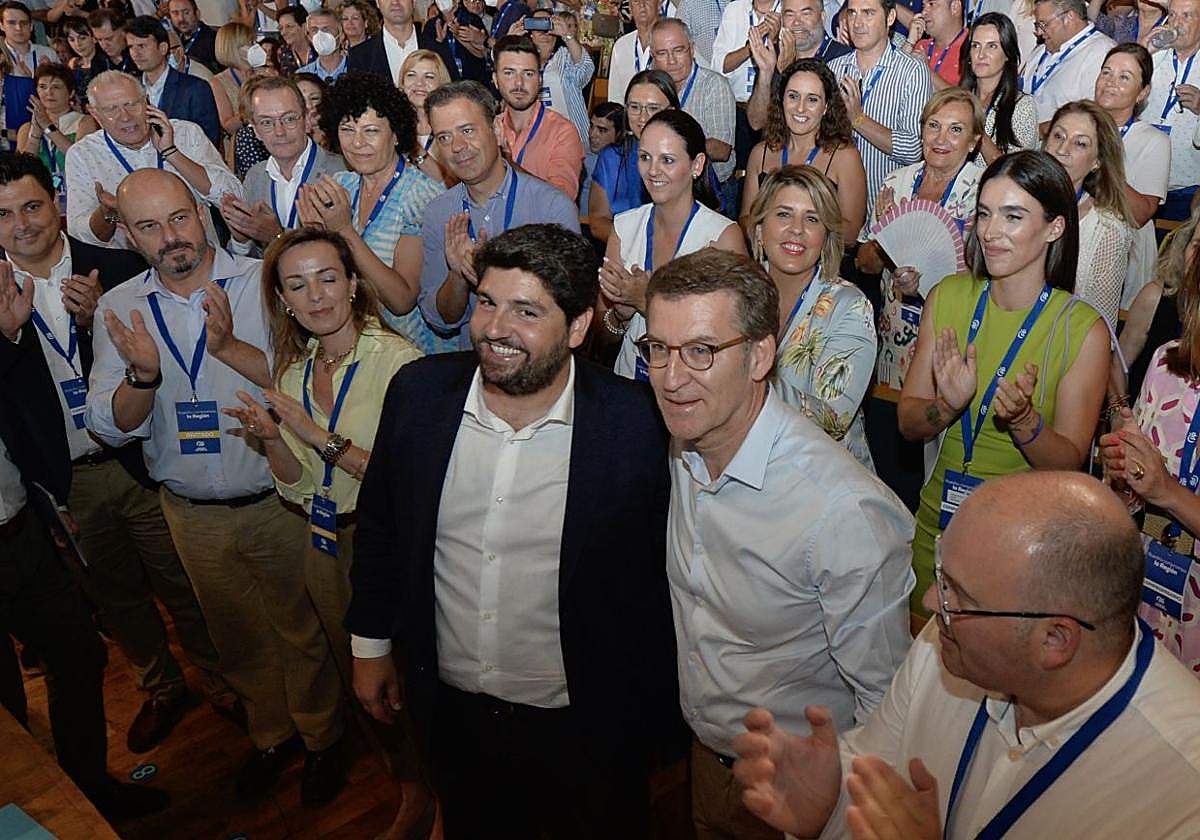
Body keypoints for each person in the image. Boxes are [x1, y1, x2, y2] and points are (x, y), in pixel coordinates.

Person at [347, 223, 679, 840]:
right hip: (452, 713)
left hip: (586, 723)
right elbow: (383, 529)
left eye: (527, 311)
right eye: (487, 302)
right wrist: (370, 647)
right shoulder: (418, 396)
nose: (496, 328)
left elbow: (661, 580)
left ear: (578, 328)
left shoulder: (635, 425)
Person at [731, 470, 1200, 840]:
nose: (933, 603)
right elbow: (875, 774)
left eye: (959, 596)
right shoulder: (947, 644)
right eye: (942, 574)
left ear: (1055, 640)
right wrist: (830, 810)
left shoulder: (1182, 792)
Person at [85, 168, 346, 805]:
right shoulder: (120, 310)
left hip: (278, 497)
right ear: (128, 236)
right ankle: (270, 736)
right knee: (235, 632)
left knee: (301, 626)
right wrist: (142, 379)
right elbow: (107, 427)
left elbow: (309, 378)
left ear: (201, 211)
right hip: (190, 511)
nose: (170, 237)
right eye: (148, 226)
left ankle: (322, 740)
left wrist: (232, 353)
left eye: (179, 217)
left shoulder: (263, 283)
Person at [640, 246, 911, 840]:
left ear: (762, 354)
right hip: (707, 767)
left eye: (701, 351)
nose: (672, 377)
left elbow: (889, 711)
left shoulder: (842, 512)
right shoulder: (689, 443)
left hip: (805, 801)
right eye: (658, 349)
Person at [0, 149, 238, 759]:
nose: (23, 224)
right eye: (4, 214)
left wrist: (87, 327)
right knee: (116, 596)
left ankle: (221, 681)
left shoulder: (116, 263)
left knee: (181, 582)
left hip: (138, 464)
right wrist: (10, 336)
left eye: (32, 205)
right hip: (64, 480)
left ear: (57, 203)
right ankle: (160, 687)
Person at [225, 226, 436, 837]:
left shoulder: (402, 366)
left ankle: (445, 791)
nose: (315, 296)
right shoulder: (293, 374)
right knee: (364, 685)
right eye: (297, 284)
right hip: (323, 543)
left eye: (327, 277)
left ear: (352, 283)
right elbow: (295, 484)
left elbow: (411, 480)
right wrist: (271, 441)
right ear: (284, 300)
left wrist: (320, 438)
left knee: (413, 680)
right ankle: (409, 787)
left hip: (389, 546)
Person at [898, 150, 1110, 616]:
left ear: (1055, 228)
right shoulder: (948, 297)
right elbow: (910, 423)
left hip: (1022, 547)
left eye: (1013, 217)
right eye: (985, 214)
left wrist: (1024, 423)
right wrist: (947, 408)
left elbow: (1070, 462)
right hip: (936, 529)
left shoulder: (1082, 330)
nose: (991, 232)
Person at [0, 436, 171, 820]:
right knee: (5, 710)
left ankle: (91, 793)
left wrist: (49, 510)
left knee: (78, 658)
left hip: (22, 535)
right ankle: (27, 816)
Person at [417, 80, 580, 351]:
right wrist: (457, 276)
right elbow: (441, 318)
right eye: (444, 137)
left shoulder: (552, 209)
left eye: (467, 131)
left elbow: (569, 309)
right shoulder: (439, 212)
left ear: (495, 128)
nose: (457, 147)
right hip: (471, 363)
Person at [1101, 236, 1200, 677]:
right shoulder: (1164, 364)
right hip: (1145, 592)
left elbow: (1164, 488)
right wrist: (1122, 472)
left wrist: (1169, 492)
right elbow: (1132, 499)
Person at [300, 71, 444, 356]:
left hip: (410, 355)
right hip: (355, 350)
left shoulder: (420, 195)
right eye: (347, 129)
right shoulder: (341, 186)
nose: (357, 143)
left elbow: (402, 300)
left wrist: (343, 232)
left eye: (371, 131)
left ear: (395, 135)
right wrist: (315, 240)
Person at [600, 109, 747, 381]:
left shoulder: (722, 237)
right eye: (645, 158)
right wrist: (620, 316)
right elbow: (601, 339)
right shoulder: (624, 227)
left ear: (697, 165)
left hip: (694, 387)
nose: (653, 171)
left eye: (667, 160)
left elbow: (730, 337)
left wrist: (646, 302)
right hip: (629, 382)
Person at [747, 166, 877, 465]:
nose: (796, 229)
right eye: (783, 214)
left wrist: (741, 384)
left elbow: (832, 419)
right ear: (759, 228)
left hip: (823, 481)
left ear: (826, 235)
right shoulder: (735, 296)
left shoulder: (850, 307)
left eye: (812, 218)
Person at [858, 87, 985, 394]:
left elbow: (988, 277)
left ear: (974, 142)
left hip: (952, 343)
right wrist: (883, 239)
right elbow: (865, 265)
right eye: (933, 126)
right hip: (894, 336)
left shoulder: (986, 192)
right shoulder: (896, 183)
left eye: (956, 130)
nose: (941, 139)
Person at [66, 70, 244, 251]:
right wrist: (109, 214)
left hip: (199, 256)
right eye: (111, 109)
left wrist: (172, 152)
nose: (125, 116)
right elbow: (80, 234)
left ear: (147, 102)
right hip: (132, 266)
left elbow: (234, 196)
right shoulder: (83, 154)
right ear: (95, 114)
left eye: (131, 104)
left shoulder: (186, 133)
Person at [741, 58, 867, 244]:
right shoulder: (761, 154)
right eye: (793, 96)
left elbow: (850, 234)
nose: (800, 108)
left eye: (812, 100)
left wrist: (804, 227)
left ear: (825, 107)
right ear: (781, 99)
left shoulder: (844, 157)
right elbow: (745, 219)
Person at [827, 0, 932, 221]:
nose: (857, 23)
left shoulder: (912, 71)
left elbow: (913, 149)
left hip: (885, 212)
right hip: (836, 211)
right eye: (852, 13)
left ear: (891, 18)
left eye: (868, 13)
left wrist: (858, 120)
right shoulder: (834, 69)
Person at [223, 76, 345, 254]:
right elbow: (253, 263)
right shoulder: (255, 177)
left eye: (289, 119)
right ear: (256, 131)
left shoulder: (340, 174)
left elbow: (347, 254)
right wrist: (241, 239)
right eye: (266, 123)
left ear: (306, 121)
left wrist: (277, 237)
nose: (279, 132)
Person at [1044, 100, 1135, 328]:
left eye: (1080, 144)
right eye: (1058, 136)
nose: (1063, 150)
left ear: (1097, 161)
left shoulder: (1107, 229)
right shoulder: (1011, 201)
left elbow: (1101, 324)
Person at [1095, 42, 1170, 309]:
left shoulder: (1153, 140)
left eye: (1124, 77)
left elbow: (1140, 214)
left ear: (1143, 92)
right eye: (1106, 72)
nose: (1110, 82)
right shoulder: (1076, 127)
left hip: (1122, 252)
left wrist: (1099, 166)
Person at [588, 68, 678, 246]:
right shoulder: (612, 157)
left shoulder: (686, 154)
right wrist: (637, 246)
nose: (642, 117)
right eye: (635, 107)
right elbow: (598, 222)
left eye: (653, 108)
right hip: (623, 252)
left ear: (672, 110)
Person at [491, 34, 584, 201]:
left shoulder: (563, 132)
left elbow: (561, 201)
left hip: (541, 227)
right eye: (509, 73)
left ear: (540, 80)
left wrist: (505, 162)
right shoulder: (489, 129)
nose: (519, 83)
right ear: (495, 80)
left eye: (528, 74)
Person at [1118, 209, 1198, 403]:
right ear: (1184, 247)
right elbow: (1118, 365)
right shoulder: (1154, 297)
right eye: (1197, 246)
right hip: (1142, 421)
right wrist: (1117, 411)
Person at [650, 18, 738, 188]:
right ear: (653, 57)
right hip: (663, 182)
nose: (671, 60)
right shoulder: (650, 88)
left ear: (692, 49)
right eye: (662, 53)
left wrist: (672, 146)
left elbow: (722, 150)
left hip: (711, 187)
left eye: (678, 50)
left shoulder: (714, 85)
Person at [744, 0, 854, 133]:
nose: (797, 23)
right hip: (778, 149)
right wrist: (766, 74)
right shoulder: (773, 54)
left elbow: (839, 127)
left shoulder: (844, 58)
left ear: (823, 17)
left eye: (805, 14)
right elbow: (756, 122)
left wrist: (786, 73)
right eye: (789, 15)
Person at [1142, 0, 1200, 222]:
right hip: (1141, 180)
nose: (1177, 23)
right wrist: (1144, 53)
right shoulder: (1154, 54)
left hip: (1186, 189)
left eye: (1187, 16)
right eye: (1173, 15)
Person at [126, 14, 221, 147]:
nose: (135, 53)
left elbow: (209, 141)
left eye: (142, 46)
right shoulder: (129, 90)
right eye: (131, 47)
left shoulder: (195, 88)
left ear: (163, 48)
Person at [1020, 0, 1115, 131]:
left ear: (1069, 17)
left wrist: (1035, 132)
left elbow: (1094, 117)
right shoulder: (1040, 50)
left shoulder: (1103, 54)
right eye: (1037, 25)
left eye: (1043, 24)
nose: (1039, 32)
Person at [960, 11, 1039, 162]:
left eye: (992, 46)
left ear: (1008, 54)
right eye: (975, 46)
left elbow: (1015, 173)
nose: (981, 54)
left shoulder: (1022, 107)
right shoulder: (959, 98)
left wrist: (976, 130)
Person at [15, 63, 96, 209]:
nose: (48, 93)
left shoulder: (85, 121)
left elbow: (80, 157)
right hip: (39, 200)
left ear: (71, 92)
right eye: (42, 87)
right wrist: (35, 136)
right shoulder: (26, 128)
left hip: (79, 196)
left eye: (56, 87)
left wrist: (48, 127)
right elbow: (21, 171)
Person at [511, 8, 594, 148]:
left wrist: (567, 35)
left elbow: (585, 69)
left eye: (547, 24)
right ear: (530, 33)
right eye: (537, 25)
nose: (544, 32)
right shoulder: (522, 60)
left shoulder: (565, 56)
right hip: (535, 143)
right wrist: (510, 39)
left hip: (572, 141)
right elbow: (501, 72)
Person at [399, 48, 453, 185]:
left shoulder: (453, 128)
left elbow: (451, 183)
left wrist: (415, 150)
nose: (419, 83)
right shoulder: (392, 127)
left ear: (442, 85)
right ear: (402, 84)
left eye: (429, 77)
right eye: (411, 75)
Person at [210, 22, 254, 154]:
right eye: (250, 43)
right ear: (234, 48)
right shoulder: (218, 82)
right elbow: (228, 125)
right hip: (240, 148)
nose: (255, 47)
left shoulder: (265, 73)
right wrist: (253, 112)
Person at [606, 0, 659, 106]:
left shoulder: (670, 41)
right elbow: (615, 96)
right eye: (635, 1)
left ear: (659, 3)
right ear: (630, 7)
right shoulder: (621, 45)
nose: (642, 4)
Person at [905, 0, 969, 88]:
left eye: (932, 4)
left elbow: (964, 99)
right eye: (923, 6)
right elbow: (891, 84)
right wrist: (910, 41)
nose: (923, 13)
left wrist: (926, 71)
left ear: (955, 7)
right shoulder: (920, 45)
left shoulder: (973, 47)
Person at [581, 100, 624, 217]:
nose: (592, 134)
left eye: (602, 130)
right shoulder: (579, 152)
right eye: (591, 126)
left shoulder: (627, 162)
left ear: (619, 134)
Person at [168, 0, 220, 73]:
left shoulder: (215, 39)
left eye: (186, 13)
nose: (181, 18)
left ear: (197, 13)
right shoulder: (174, 42)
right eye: (175, 13)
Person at [297, 8, 349, 82]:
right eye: (314, 30)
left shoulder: (357, 69)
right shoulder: (302, 76)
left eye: (326, 29)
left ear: (341, 35)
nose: (320, 34)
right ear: (309, 37)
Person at [677, 0, 732, 67]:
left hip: (740, 69)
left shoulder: (740, 3)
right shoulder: (688, 4)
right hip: (705, 70)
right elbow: (679, 41)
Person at [88, 7, 135, 74]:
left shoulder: (139, 55)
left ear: (124, 32)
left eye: (109, 39)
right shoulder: (98, 61)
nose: (104, 45)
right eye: (99, 40)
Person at [64, 17, 102, 94]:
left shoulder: (105, 63)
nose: (77, 44)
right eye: (72, 40)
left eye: (82, 38)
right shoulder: (73, 65)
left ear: (94, 38)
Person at [277, 5, 314, 76]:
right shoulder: (283, 52)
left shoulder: (318, 48)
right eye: (281, 28)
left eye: (289, 27)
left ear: (304, 26)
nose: (283, 33)